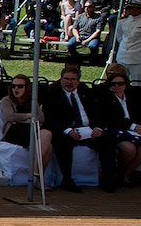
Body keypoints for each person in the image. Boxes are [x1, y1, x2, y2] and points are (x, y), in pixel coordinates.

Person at [43, 65, 111, 193]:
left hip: (87, 129)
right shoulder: (53, 93)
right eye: (66, 79)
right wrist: (68, 130)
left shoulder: (85, 92)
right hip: (66, 131)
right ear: (61, 79)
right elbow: (51, 118)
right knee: (63, 143)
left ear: (78, 81)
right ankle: (67, 180)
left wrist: (97, 128)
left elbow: (98, 113)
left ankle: (108, 178)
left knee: (107, 141)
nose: (69, 82)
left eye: (73, 79)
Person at [95, 69, 141, 186]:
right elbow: (110, 119)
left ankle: (125, 172)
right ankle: (116, 172)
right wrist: (133, 126)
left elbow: (140, 115)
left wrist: (139, 127)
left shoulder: (133, 98)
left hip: (134, 131)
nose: (117, 86)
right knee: (129, 149)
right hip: (116, 132)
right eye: (113, 84)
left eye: (120, 84)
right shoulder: (105, 99)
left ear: (126, 85)